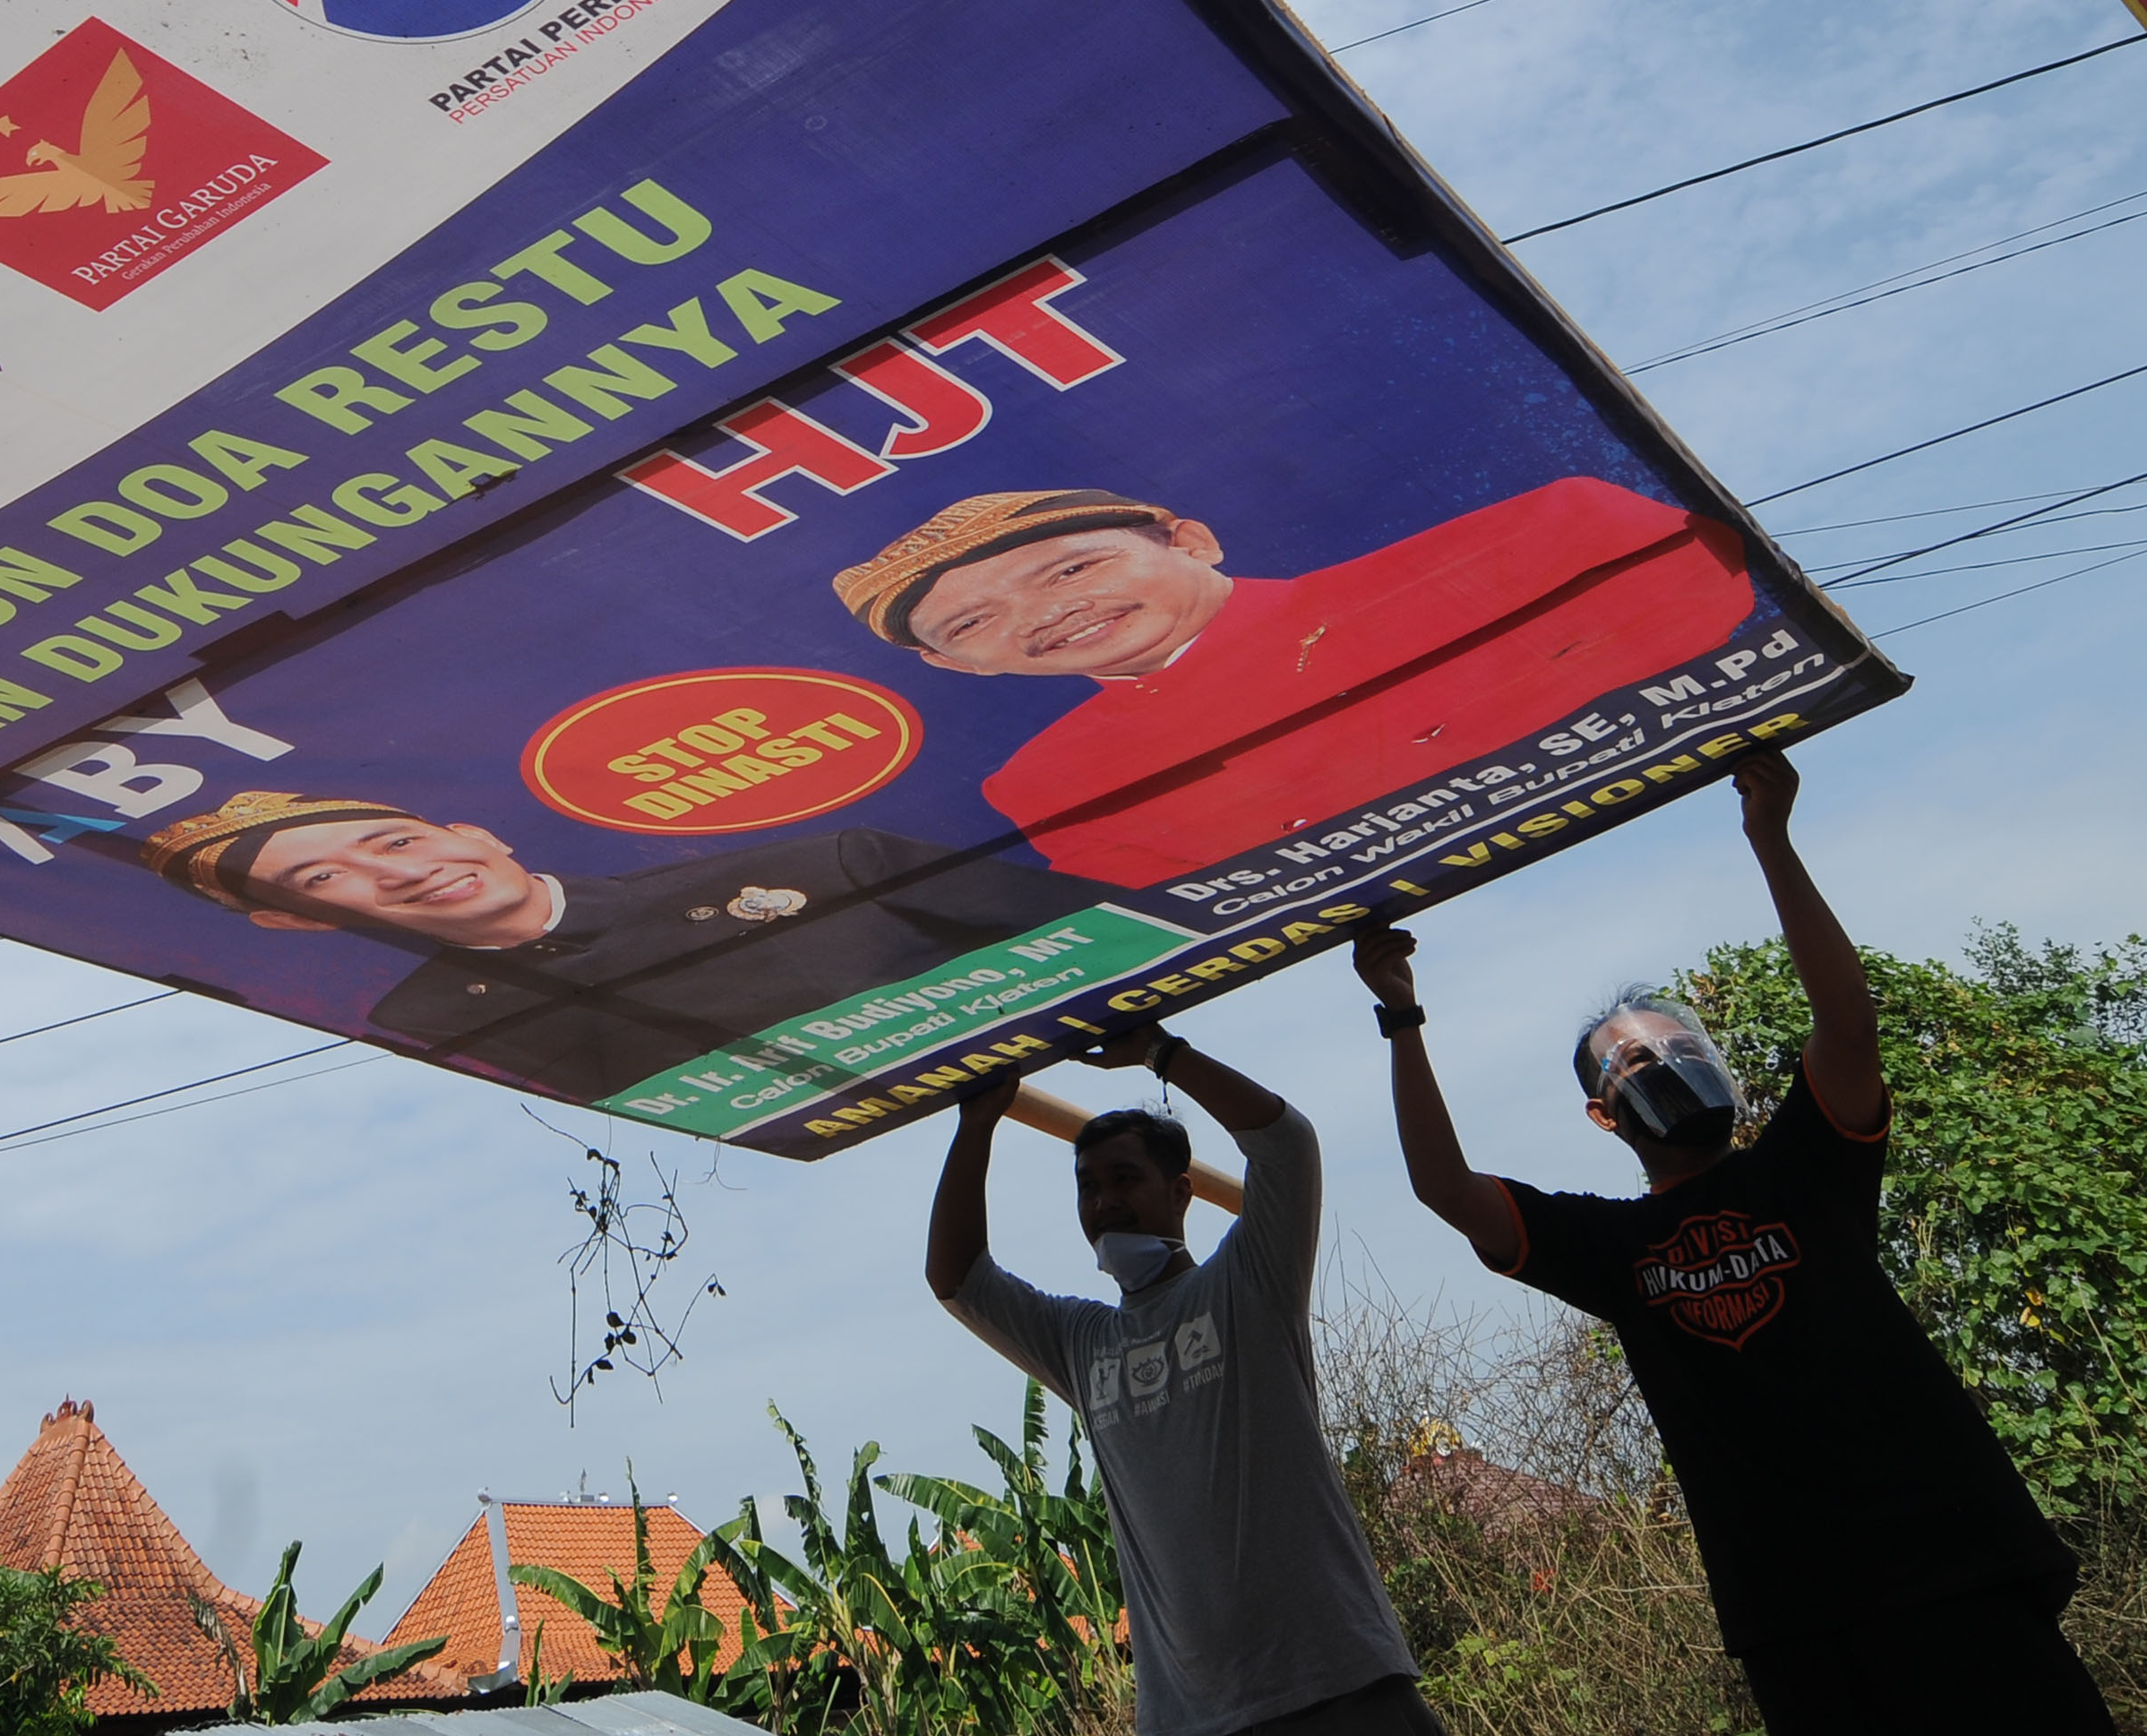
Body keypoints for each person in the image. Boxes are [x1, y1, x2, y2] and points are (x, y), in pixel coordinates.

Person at [1353, 751, 2103, 1732]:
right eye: (1633, 1059)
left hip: (1957, 1569)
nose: (1665, 1061)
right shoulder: (1613, 1245)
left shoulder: (1808, 1166)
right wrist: (1401, 1014)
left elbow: (1847, 1023)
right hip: (1798, 1620)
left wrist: (1771, 838)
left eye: (1681, 1045)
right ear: (1601, 1114)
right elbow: (1445, 1187)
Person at [832, 478, 1753, 887]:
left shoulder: (1541, 533)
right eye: (972, 623)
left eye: (1072, 568)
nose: (1050, 614)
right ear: (954, 665)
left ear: (1189, 541)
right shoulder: (1053, 785)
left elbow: (1717, 621)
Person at [926, 1034, 1438, 1736]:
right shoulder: (1083, 1343)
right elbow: (956, 1278)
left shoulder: (1247, 1281)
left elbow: (1286, 1143)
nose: (1104, 1201)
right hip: (1190, 1717)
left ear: (1181, 1191)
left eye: (1124, 1178)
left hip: (1339, 1685)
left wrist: (1161, 1052)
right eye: (1087, 1185)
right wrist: (977, 1124)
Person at [140, 790, 1107, 1100]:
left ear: (474, 831)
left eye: (395, 840)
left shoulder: (830, 862)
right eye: (321, 879)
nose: (400, 872)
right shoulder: (426, 1023)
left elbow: (1120, 945)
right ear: (297, 920)